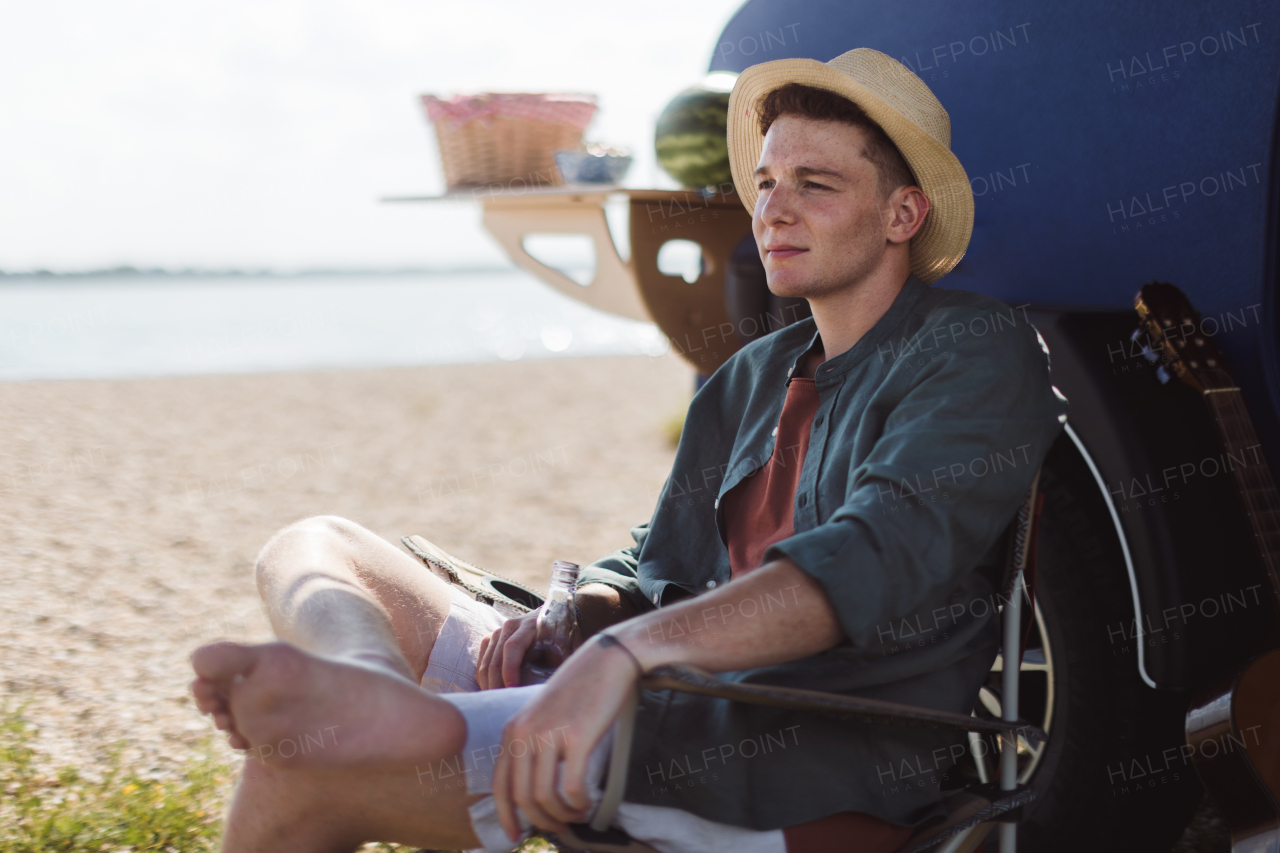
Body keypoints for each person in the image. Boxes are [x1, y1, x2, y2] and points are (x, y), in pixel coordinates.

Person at [190, 47, 1067, 853]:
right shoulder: (752, 373)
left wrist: (622, 654)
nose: (773, 210)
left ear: (902, 213)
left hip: (785, 755)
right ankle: (368, 688)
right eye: (764, 183)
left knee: (296, 772)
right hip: (650, 701)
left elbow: (868, 563)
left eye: (815, 184)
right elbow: (659, 555)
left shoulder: (971, 352)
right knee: (315, 546)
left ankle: (386, 723)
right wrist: (580, 611)